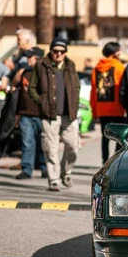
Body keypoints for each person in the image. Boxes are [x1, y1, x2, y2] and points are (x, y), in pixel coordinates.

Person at [28, 38, 81, 191]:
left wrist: (75, 104)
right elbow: (32, 88)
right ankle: (54, 179)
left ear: (65, 53)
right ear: (51, 51)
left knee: (73, 147)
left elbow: (76, 87)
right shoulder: (41, 65)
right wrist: (42, 102)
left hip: (69, 114)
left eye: (62, 52)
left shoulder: (71, 66)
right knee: (50, 148)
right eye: (55, 51)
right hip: (49, 114)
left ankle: (66, 173)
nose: (58, 54)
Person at [12, 48, 46, 180]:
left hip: (41, 114)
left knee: (43, 143)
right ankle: (26, 169)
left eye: (30, 57)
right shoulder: (24, 73)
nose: (28, 60)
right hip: (25, 114)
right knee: (27, 143)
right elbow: (18, 93)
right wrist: (17, 114)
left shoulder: (45, 73)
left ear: (37, 58)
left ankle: (44, 168)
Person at [90, 42, 127, 161]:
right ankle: (116, 161)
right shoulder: (120, 67)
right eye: (119, 50)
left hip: (102, 109)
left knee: (104, 138)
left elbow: (93, 92)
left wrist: (94, 111)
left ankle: (104, 162)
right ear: (115, 52)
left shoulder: (96, 68)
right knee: (120, 138)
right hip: (117, 108)